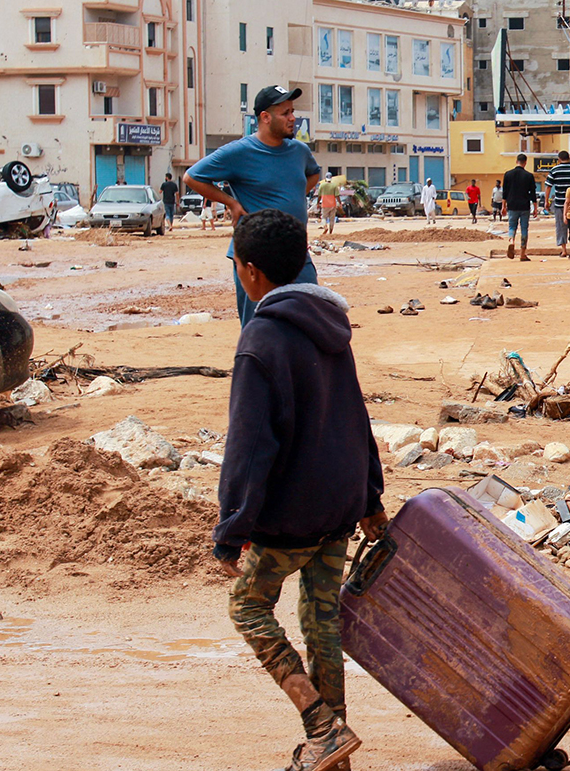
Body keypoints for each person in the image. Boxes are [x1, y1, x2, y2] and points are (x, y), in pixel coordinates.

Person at [212, 208, 387, 771]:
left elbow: (248, 447)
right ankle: (334, 751)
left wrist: (231, 528)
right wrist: (371, 499)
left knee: (247, 605)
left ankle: (319, 723)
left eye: (236, 263)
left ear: (251, 271)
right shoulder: (330, 323)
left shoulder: (259, 338)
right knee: (321, 622)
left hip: (292, 514)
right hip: (338, 504)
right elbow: (356, 417)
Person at [184, 84, 322, 326]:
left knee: (310, 322)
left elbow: (313, 174)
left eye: (293, 111)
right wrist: (231, 203)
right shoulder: (239, 152)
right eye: (285, 113)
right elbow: (192, 177)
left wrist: (294, 198)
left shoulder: (299, 151)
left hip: (297, 253)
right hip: (257, 257)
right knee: (261, 325)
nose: (293, 119)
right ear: (265, 118)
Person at [500, 153, 538, 261]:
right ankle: (522, 253)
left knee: (512, 227)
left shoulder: (508, 174)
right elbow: (533, 193)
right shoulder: (529, 176)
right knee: (524, 228)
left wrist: (503, 206)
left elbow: (505, 192)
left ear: (516, 161)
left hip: (512, 205)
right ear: (525, 163)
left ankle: (511, 240)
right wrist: (535, 208)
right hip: (524, 206)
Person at [546, 150, 570, 258]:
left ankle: (564, 250)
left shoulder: (554, 170)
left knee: (561, 227)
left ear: (559, 159)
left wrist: (546, 201)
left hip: (560, 203)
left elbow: (548, 186)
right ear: (569, 158)